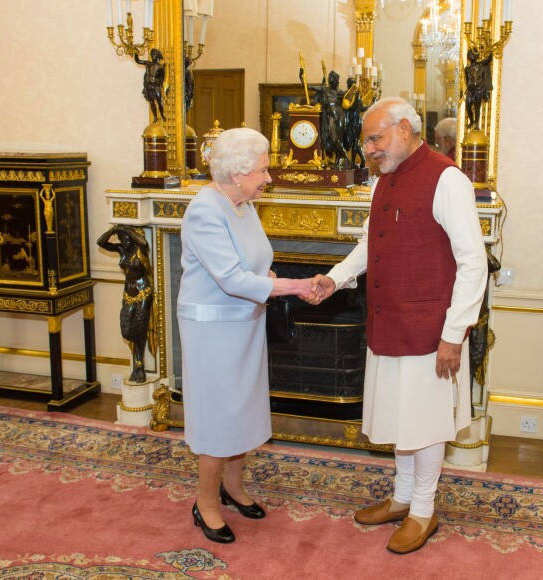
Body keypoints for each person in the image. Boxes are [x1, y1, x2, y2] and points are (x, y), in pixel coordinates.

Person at [308, 97, 487, 554]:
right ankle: (402, 497)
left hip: (431, 332)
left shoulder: (447, 178)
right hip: (388, 325)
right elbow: (371, 243)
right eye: (367, 140)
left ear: (404, 129)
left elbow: (473, 263)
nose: (369, 148)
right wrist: (335, 277)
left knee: (424, 424)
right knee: (400, 418)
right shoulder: (382, 180)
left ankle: (423, 511)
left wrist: (454, 334)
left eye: (375, 138)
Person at [177, 127, 318, 544]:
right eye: (262, 170)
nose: (268, 177)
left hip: (246, 322)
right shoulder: (205, 210)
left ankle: (233, 487)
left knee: (242, 408)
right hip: (213, 329)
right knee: (218, 416)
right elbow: (231, 278)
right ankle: (205, 503)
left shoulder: (243, 204)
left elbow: (255, 264)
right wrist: (293, 286)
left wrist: (272, 278)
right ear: (237, 174)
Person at [97, 225, 157, 384]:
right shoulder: (121, 250)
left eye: (127, 239)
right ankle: (138, 364)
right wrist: (113, 230)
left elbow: (144, 243)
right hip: (128, 294)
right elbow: (101, 243)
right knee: (128, 331)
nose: (125, 242)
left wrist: (128, 231)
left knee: (140, 328)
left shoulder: (140, 251)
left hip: (143, 292)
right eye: (122, 239)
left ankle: (140, 366)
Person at [300, 68, 350, 169]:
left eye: (332, 78)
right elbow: (308, 86)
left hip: (340, 116)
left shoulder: (341, 93)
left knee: (339, 139)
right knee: (333, 138)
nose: (330, 80)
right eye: (329, 78)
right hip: (330, 116)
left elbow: (349, 103)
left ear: (336, 81)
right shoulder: (324, 89)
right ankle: (346, 157)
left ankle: (337, 163)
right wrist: (301, 77)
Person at [342, 77, 370, 168]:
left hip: (356, 122)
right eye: (352, 84)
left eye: (354, 84)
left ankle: (354, 162)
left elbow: (362, 108)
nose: (354, 86)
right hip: (350, 122)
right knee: (354, 142)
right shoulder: (346, 96)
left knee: (355, 142)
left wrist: (372, 102)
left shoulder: (356, 96)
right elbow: (347, 107)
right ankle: (358, 160)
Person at [134, 48, 167, 123]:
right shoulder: (148, 64)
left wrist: (160, 85)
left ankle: (162, 114)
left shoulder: (161, 67)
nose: (152, 56)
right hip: (149, 86)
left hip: (156, 86)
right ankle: (155, 117)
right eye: (151, 54)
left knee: (159, 102)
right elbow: (138, 61)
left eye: (154, 54)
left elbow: (162, 78)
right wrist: (135, 53)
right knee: (151, 102)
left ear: (157, 56)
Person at [464, 48, 493, 130]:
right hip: (470, 90)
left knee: (477, 107)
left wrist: (489, 48)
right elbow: (467, 80)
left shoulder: (481, 64)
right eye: (470, 55)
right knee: (468, 106)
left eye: (472, 55)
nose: (471, 56)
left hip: (478, 90)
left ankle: (476, 123)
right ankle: (472, 121)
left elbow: (489, 59)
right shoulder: (467, 68)